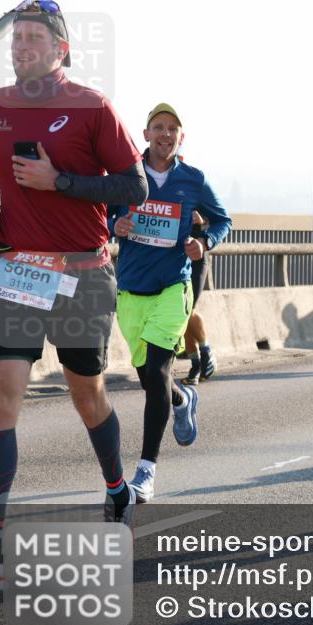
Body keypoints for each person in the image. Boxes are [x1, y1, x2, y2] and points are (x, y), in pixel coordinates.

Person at [0, 3, 147, 589]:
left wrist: (60, 183)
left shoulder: (93, 106)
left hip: (83, 270)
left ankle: (117, 488)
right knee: (1, 399)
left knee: (86, 395)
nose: (20, 46)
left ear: (60, 49)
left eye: (34, 38)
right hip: (17, 266)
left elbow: (133, 184)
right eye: (16, 37)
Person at [110, 103, 232, 503]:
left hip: (172, 288)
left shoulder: (192, 180)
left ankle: (146, 470)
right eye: (158, 127)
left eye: (173, 129)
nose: (165, 134)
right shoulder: (127, 176)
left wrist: (204, 242)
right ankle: (182, 398)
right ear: (145, 135)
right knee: (149, 377)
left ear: (181, 138)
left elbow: (222, 220)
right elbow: (99, 212)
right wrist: (116, 225)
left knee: (159, 368)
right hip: (130, 289)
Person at [183, 210, 217, 384]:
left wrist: (203, 221)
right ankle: (195, 362)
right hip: (176, 255)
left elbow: (222, 221)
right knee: (182, 311)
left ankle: (206, 352)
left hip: (198, 255)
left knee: (189, 308)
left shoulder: (200, 187)